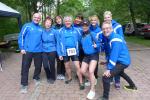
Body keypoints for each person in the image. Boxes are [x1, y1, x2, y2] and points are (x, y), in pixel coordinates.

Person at [100, 22, 137, 100]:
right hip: (123, 60)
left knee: (106, 77)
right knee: (121, 73)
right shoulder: (111, 37)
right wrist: (107, 62)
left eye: (107, 28)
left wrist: (109, 69)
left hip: (122, 62)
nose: (105, 30)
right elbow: (114, 53)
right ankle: (133, 86)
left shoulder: (115, 39)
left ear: (111, 29)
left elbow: (114, 55)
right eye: (103, 29)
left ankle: (105, 98)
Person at [57, 16, 84, 90]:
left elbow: (82, 39)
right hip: (65, 52)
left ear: (71, 22)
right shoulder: (60, 31)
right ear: (64, 22)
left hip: (74, 51)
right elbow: (58, 44)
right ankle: (69, 78)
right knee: (67, 66)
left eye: (69, 21)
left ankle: (81, 81)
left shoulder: (76, 30)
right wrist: (59, 54)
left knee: (77, 67)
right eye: (66, 21)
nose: (67, 22)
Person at [18, 13, 43, 93]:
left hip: (38, 51)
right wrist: (21, 48)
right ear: (33, 18)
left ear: (40, 19)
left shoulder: (41, 28)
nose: (37, 19)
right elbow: (21, 36)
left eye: (38, 18)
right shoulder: (27, 25)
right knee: (25, 67)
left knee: (38, 66)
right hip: (27, 50)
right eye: (35, 17)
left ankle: (36, 77)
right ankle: (24, 84)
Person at [103, 11, 124, 89]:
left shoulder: (118, 26)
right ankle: (111, 77)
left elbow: (121, 37)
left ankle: (117, 81)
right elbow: (104, 37)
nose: (107, 19)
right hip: (108, 49)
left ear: (111, 17)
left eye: (108, 17)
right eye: (105, 18)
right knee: (109, 63)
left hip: (116, 48)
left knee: (117, 65)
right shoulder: (104, 26)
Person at [80, 19, 100, 99]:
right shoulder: (82, 35)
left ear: (88, 26)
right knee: (82, 71)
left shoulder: (92, 34)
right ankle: (93, 80)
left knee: (91, 71)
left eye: (86, 25)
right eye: (83, 25)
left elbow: (99, 43)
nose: (84, 27)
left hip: (94, 55)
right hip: (86, 56)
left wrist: (97, 46)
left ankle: (92, 90)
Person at [42, 16, 57, 84]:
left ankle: (53, 77)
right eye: (47, 22)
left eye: (49, 23)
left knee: (52, 65)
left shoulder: (54, 31)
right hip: (44, 50)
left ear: (51, 24)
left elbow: (57, 41)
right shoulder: (42, 31)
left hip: (52, 50)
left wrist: (58, 51)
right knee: (45, 65)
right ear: (44, 23)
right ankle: (48, 75)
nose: (48, 24)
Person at [89, 15, 102, 80]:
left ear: (97, 21)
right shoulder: (88, 28)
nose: (93, 21)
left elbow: (101, 41)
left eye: (95, 20)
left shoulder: (99, 30)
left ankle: (95, 77)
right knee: (89, 63)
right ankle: (90, 77)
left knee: (95, 64)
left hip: (95, 50)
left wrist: (97, 45)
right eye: (92, 20)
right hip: (88, 49)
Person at [53, 15, 65, 80]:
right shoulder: (54, 28)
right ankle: (58, 73)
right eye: (57, 19)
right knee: (58, 60)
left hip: (64, 46)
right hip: (57, 46)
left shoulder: (65, 26)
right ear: (55, 21)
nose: (58, 20)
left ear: (61, 19)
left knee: (64, 60)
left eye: (59, 19)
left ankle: (63, 73)